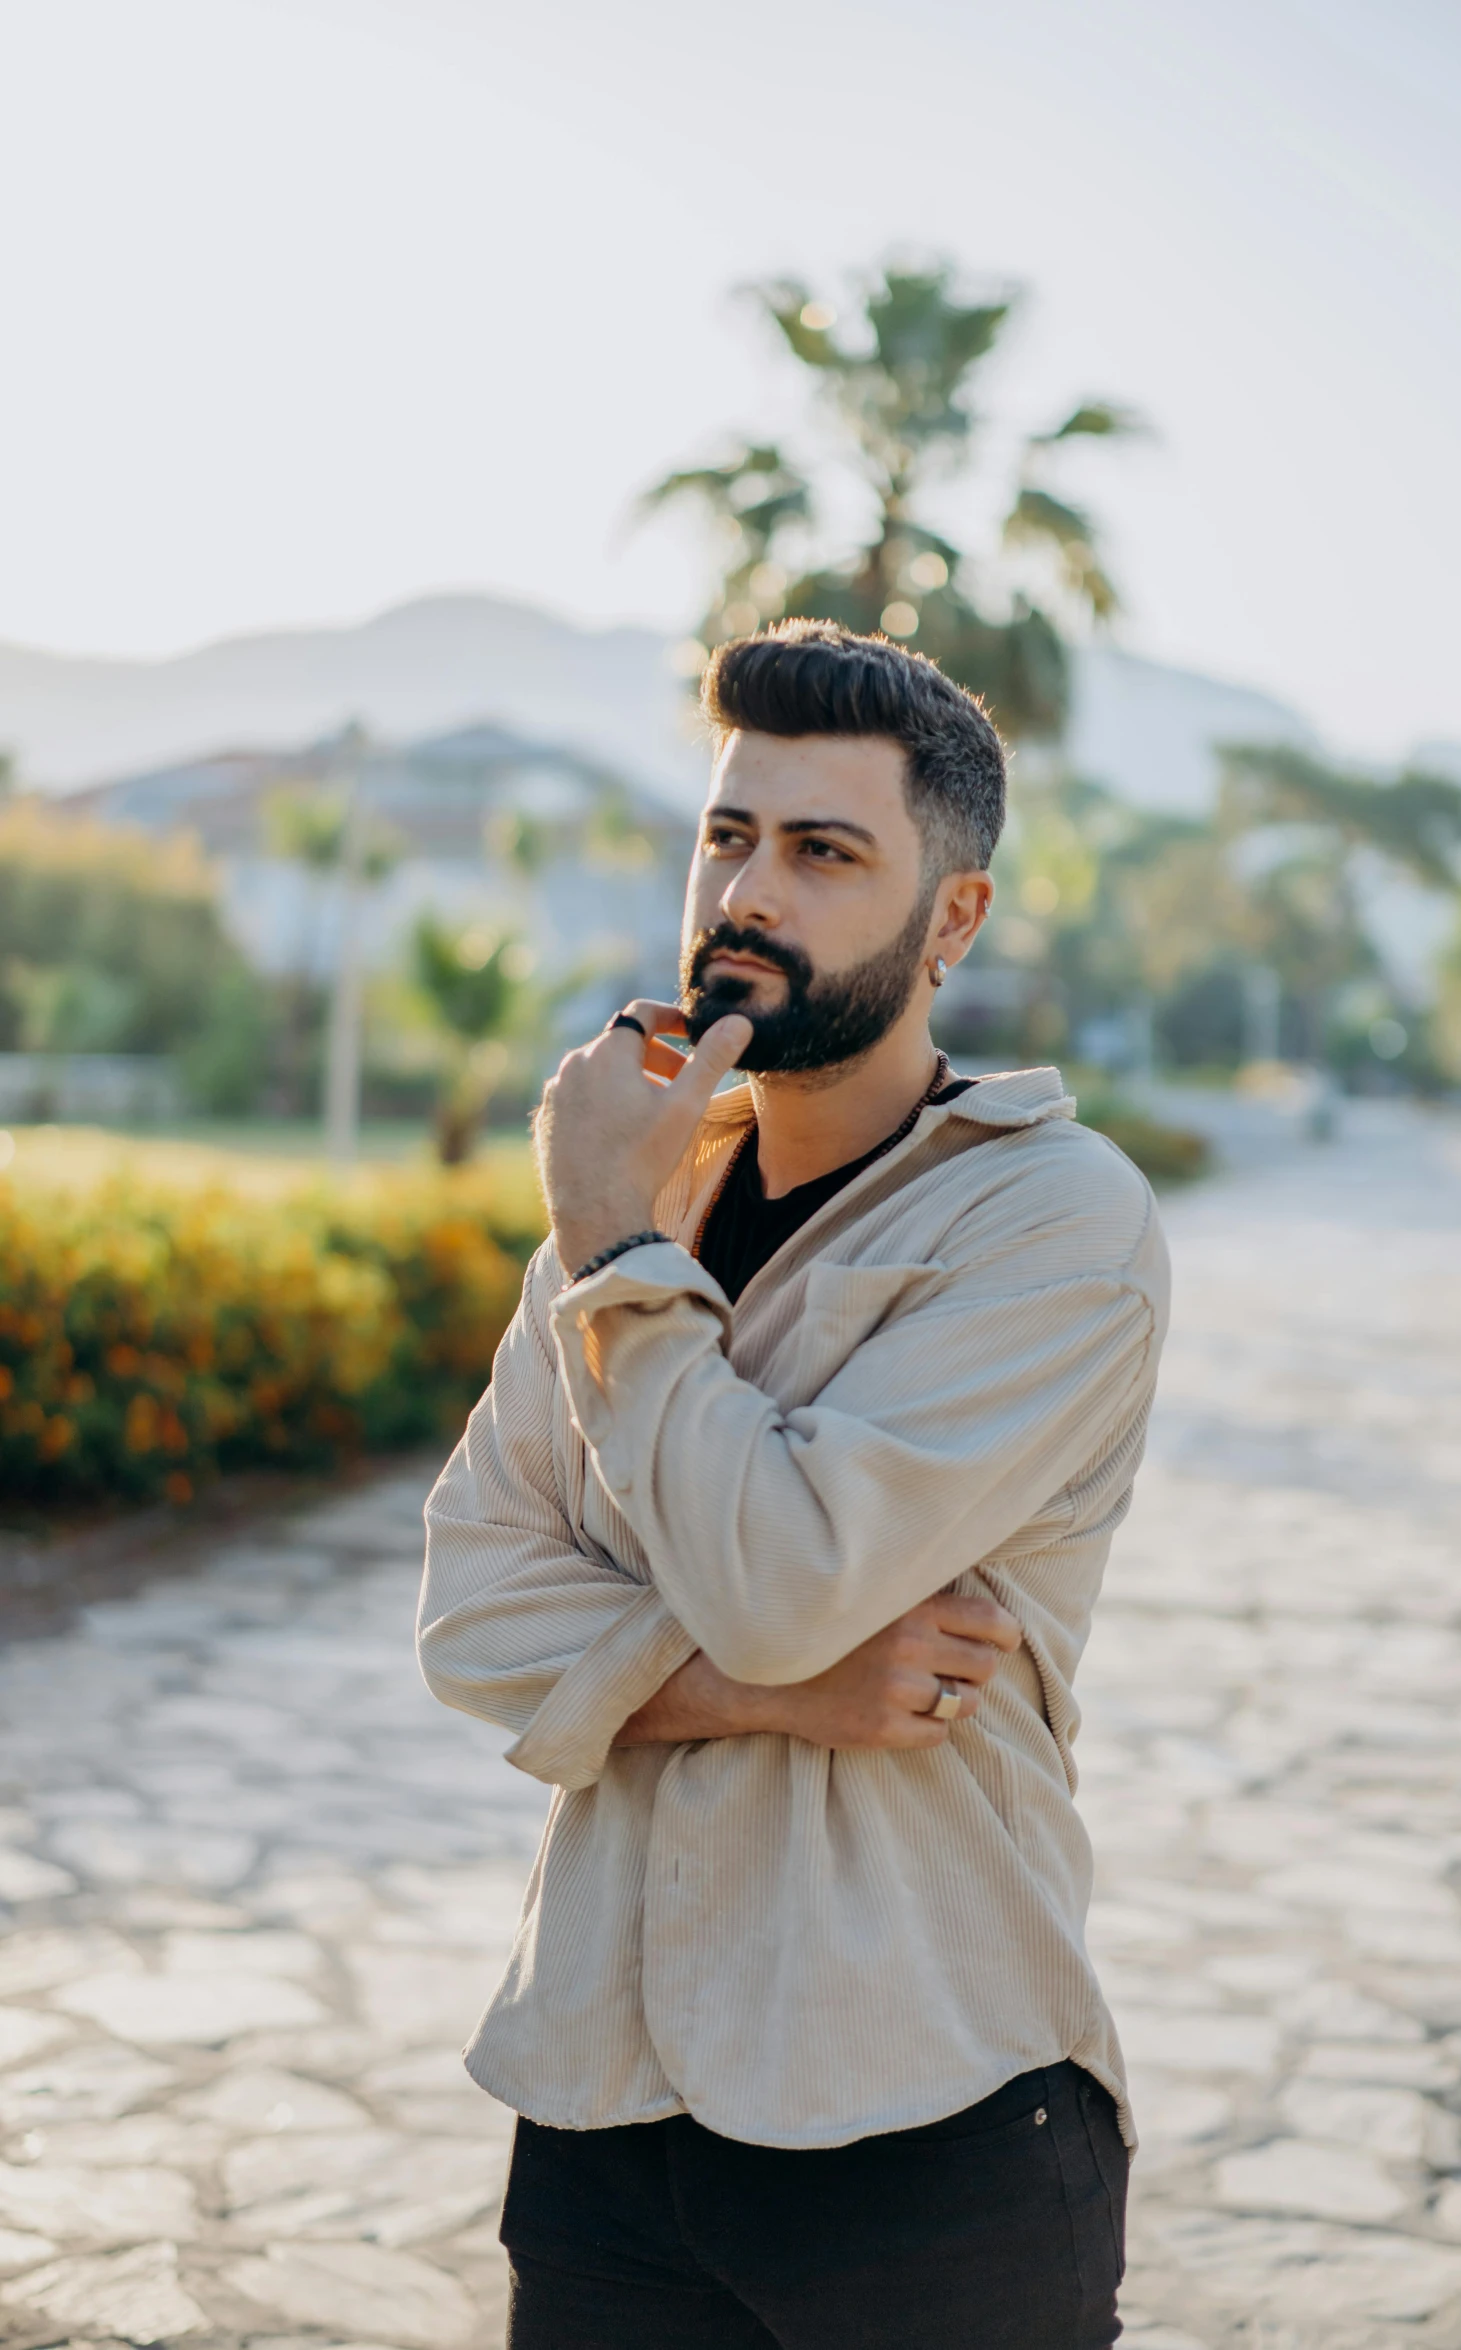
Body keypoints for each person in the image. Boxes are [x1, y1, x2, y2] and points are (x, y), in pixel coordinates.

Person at [418, 620, 1170, 2350]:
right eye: (727, 834)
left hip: (924, 2123)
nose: (747, 890)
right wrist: (765, 1688)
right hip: (599, 2101)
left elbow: (777, 1572)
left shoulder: (1053, 1222)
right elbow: (469, 1603)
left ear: (951, 919)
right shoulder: (641, 1188)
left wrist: (604, 1237)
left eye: (824, 851)